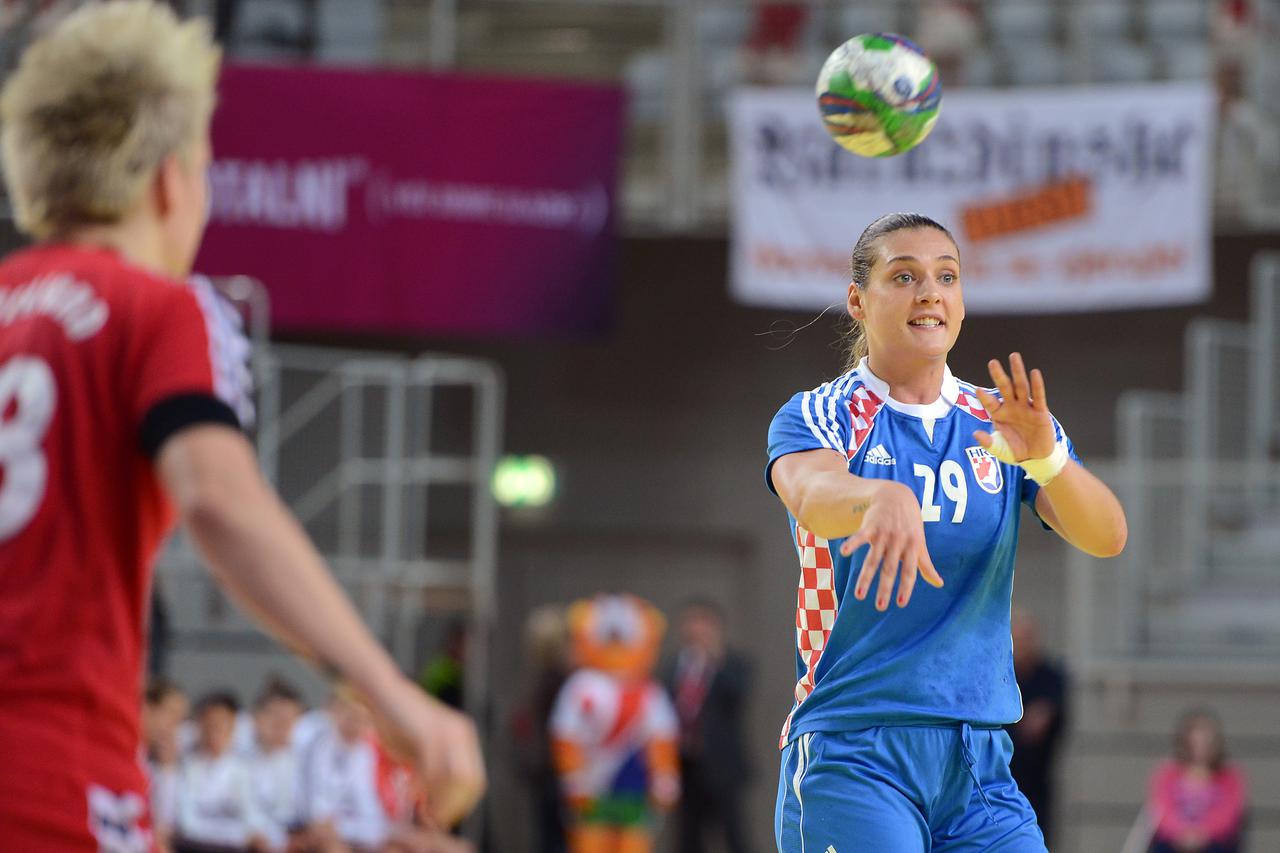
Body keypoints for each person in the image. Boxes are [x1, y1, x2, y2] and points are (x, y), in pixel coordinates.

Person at [0, 4, 484, 850]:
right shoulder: (161, 309)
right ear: (170, 176)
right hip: (52, 773)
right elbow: (218, 500)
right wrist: (389, 694)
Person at [765, 212, 1127, 852]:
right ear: (857, 300)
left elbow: (1107, 535)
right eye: (903, 276)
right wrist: (876, 496)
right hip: (856, 749)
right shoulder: (821, 412)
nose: (929, 291)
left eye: (946, 276)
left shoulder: (999, 420)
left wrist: (1048, 461)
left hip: (979, 761)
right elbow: (812, 494)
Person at [660, 599, 753, 853]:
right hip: (685, 764)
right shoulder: (674, 666)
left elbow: (738, 696)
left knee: (734, 833)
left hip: (721, 765)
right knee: (688, 837)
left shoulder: (732, 664)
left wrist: (715, 659)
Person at [1004, 608, 1068, 846]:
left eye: (1027, 637)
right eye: (1017, 638)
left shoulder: (1050, 676)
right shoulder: (1002, 673)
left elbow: (1050, 719)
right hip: (1002, 775)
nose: (1022, 644)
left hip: (1038, 778)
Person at [174, 690, 267, 852]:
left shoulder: (241, 769)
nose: (214, 734)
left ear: (232, 728)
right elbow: (188, 824)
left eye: (221, 726)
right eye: (209, 726)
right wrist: (238, 835)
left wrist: (250, 835)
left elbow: (252, 818)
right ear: (198, 726)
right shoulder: (186, 766)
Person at [1146, 710, 1247, 853]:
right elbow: (1162, 809)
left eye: (1206, 741)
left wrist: (1203, 833)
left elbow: (1229, 813)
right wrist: (1181, 832)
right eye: (1196, 742)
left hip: (1216, 842)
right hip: (1173, 842)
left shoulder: (1230, 776)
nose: (1200, 747)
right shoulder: (1167, 774)